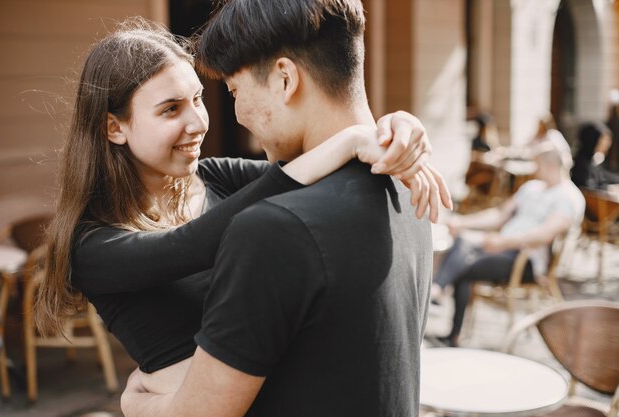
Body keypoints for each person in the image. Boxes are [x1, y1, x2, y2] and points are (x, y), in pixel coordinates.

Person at [35, 19, 450, 397]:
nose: (198, 122)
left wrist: (395, 129)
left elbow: (309, 171)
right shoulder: (91, 244)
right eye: (170, 109)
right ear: (114, 127)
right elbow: (192, 245)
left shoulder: (214, 176)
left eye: (197, 99)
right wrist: (349, 140)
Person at [121, 1, 433, 416]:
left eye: (234, 92)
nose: (236, 114)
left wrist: (140, 404)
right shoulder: (411, 184)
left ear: (285, 79)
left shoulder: (273, 230)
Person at [431, 141, 584, 347]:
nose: (533, 168)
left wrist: (503, 242)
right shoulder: (532, 187)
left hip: (526, 260)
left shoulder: (568, 197)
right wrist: (462, 222)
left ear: (549, 165)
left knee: (463, 268)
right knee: (462, 240)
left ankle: (445, 313)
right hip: (503, 248)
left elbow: (545, 235)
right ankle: (439, 294)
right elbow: (499, 215)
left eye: (536, 163)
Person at [571, 122, 619, 191]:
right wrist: (609, 188)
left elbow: (603, 176)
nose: (607, 145)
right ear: (593, 140)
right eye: (604, 140)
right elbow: (588, 187)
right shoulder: (581, 163)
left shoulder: (592, 160)